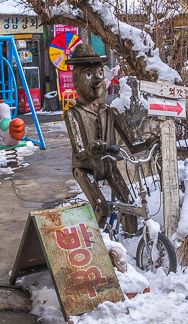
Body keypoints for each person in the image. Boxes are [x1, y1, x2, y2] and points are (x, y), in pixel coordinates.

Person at [64, 44, 155, 226]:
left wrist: (148, 144)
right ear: (75, 80)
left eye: (99, 74)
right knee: (102, 208)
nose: (97, 80)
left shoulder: (110, 112)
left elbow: (132, 144)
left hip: (109, 166)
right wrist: (90, 150)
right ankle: (97, 246)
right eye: (89, 75)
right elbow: (79, 150)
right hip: (85, 168)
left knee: (130, 206)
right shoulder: (73, 113)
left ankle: (130, 242)